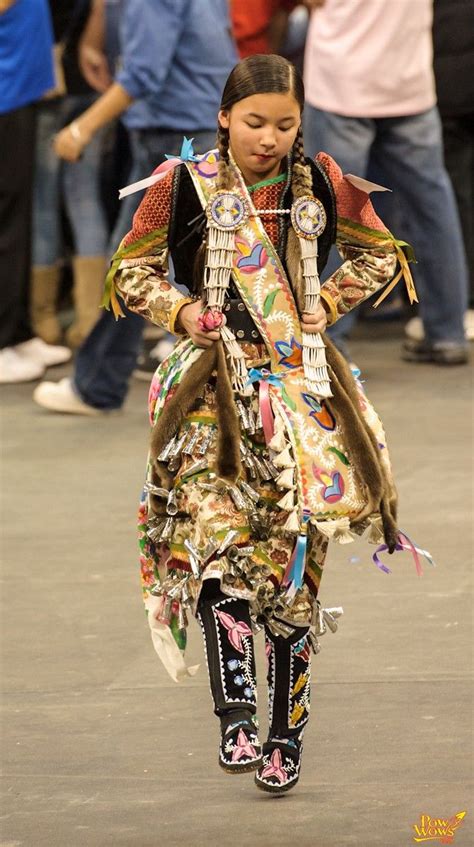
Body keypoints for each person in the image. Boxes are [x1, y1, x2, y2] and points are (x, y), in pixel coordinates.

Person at [104, 53, 418, 793]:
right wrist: (181, 310)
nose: (270, 137)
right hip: (212, 392)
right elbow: (130, 269)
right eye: (254, 122)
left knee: (293, 575)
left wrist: (328, 302)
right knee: (216, 544)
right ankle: (237, 713)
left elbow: (382, 254)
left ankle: (287, 735)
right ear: (222, 118)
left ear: (300, 120)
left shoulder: (322, 182)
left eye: (284, 123)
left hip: (301, 393)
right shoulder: (182, 184)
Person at [33, 0, 237, 413]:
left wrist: (81, 129)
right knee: (209, 261)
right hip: (200, 128)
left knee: (132, 263)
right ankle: (103, 380)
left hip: (178, 137)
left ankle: (97, 384)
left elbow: (144, 73)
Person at [303, 0, 469, 366]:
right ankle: (446, 332)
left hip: (342, 82)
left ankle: (328, 339)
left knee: (331, 212)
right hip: (408, 81)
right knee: (431, 208)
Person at [31, 0, 110, 349]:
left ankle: (43, 316)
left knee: (42, 200)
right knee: (84, 197)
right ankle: (90, 317)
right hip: (93, 83)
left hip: (49, 83)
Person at [0, 0, 71, 384]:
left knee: (20, 214)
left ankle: (19, 330)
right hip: (4, 93)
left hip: (19, 89)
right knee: (6, 219)